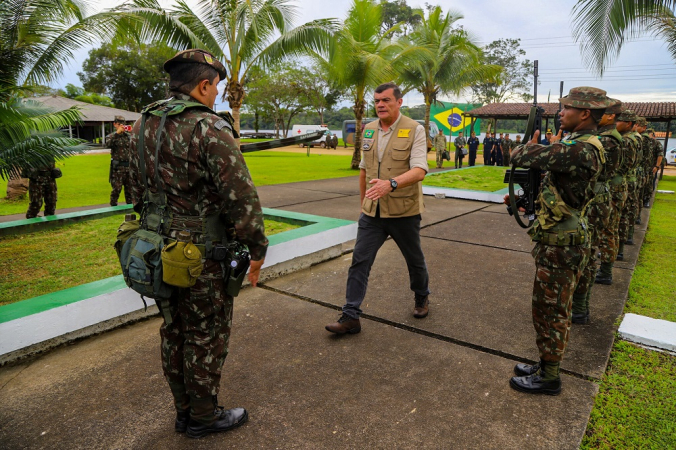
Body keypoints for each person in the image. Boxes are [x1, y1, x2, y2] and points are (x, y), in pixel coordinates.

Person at [129, 49, 268, 438]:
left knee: (173, 330)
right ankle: (204, 418)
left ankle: (183, 411)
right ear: (203, 85)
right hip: (201, 255)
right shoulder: (210, 128)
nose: (217, 95)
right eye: (217, 87)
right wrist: (257, 248)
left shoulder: (144, 123)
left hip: (157, 249)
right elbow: (241, 197)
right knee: (206, 334)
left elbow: (136, 187)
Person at [506, 87, 612, 395]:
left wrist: (531, 146)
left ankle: (550, 376)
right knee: (546, 307)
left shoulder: (584, 149)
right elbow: (555, 187)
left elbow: (521, 154)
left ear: (584, 114)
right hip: (557, 238)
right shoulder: (576, 144)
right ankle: (545, 363)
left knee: (552, 310)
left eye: (566, 109)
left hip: (563, 245)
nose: (561, 113)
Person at [326, 82, 430, 334]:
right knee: (359, 261)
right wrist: (364, 205)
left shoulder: (415, 129)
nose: (380, 105)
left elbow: (419, 170)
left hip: (404, 212)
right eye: (377, 101)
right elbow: (364, 170)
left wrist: (391, 184)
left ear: (399, 102)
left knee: (414, 260)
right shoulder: (369, 129)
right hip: (372, 213)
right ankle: (351, 316)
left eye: (385, 100)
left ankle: (421, 296)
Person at [570, 98, 623, 324]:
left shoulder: (605, 141)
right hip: (599, 195)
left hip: (595, 198)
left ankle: (580, 307)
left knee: (588, 253)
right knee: (590, 250)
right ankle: (580, 305)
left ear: (610, 116)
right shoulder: (605, 140)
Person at [595, 100, 628, 286]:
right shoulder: (609, 135)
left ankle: (606, 272)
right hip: (615, 186)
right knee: (611, 229)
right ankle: (606, 268)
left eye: (602, 112)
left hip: (612, 188)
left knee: (608, 230)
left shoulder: (608, 138)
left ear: (611, 116)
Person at [615, 109, 639, 261]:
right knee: (624, 216)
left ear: (628, 123)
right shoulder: (633, 138)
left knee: (620, 219)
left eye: (619, 121)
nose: (615, 123)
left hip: (623, 183)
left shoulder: (626, 141)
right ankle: (618, 250)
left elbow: (620, 166)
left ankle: (618, 251)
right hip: (628, 181)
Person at [107, 115, 135, 206]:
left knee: (130, 191)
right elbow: (108, 144)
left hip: (129, 167)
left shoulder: (129, 136)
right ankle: (113, 207)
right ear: (115, 124)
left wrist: (133, 133)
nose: (121, 126)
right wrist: (117, 134)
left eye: (123, 124)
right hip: (118, 168)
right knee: (116, 189)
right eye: (119, 124)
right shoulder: (111, 136)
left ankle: (130, 210)